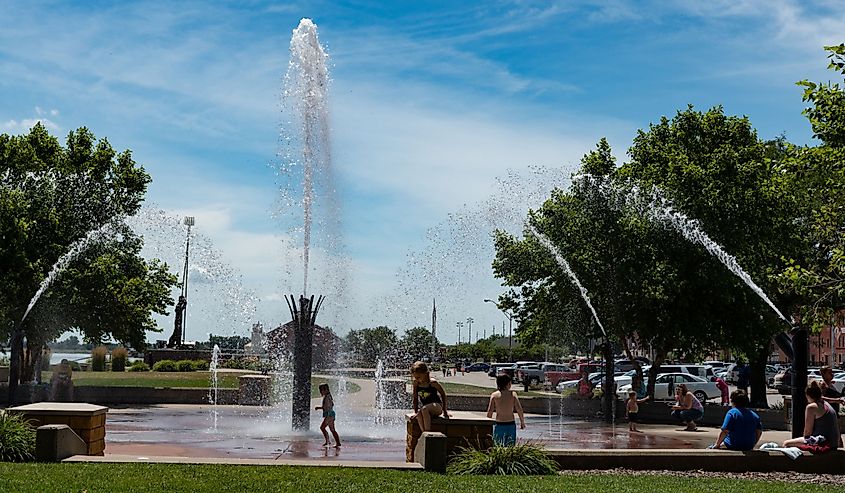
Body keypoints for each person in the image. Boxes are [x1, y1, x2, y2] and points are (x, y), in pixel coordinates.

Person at [783, 381, 840, 451]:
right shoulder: (826, 404)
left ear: (807, 395)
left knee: (786, 443)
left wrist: (803, 440)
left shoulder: (811, 407)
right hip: (833, 443)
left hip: (822, 442)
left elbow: (807, 432)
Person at [486, 374, 525, 445]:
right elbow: (519, 409)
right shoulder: (513, 394)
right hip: (510, 424)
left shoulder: (494, 395)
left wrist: (487, 425)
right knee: (510, 446)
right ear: (508, 384)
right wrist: (522, 422)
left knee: (498, 446)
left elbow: (490, 411)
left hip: (499, 424)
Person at [411, 361, 449, 432]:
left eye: (418, 377)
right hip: (425, 409)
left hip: (437, 407)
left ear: (425, 373)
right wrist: (415, 412)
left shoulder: (432, 383)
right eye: (415, 377)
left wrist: (445, 411)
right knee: (419, 414)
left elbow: (443, 394)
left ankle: (427, 433)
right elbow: (415, 398)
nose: (417, 379)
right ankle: (424, 433)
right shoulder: (416, 384)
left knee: (424, 409)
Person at [315, 383, 341, 448]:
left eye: (322, 390)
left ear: (326, 390)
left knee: (322, 428)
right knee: (332, 430)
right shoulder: (328, 396)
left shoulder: (327, 397)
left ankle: (328, 441)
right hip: (331, 414)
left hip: (329, 415)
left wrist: (319, 408)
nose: (321, 392)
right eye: (320, 391)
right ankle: (337, 443)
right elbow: (330, 405)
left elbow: (327, 407)